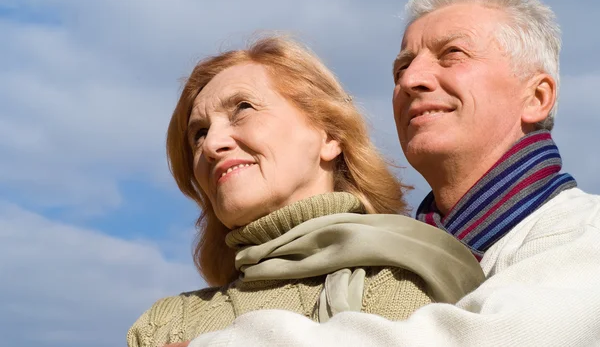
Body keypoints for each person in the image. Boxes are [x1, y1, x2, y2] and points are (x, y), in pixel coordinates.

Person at [186, 0, 600, 347]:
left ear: (537, 97)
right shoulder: (397, 264)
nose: (410, 79)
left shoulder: (586, 236)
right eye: (402, 66)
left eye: (452, 54)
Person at [126, 35, 485, 347]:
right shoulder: (163, 324)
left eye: (243, 109)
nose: (212, 144)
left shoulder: (402, 285)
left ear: (329, 137)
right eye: (198, 133)